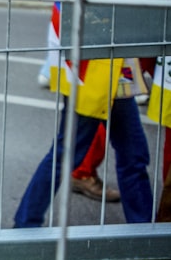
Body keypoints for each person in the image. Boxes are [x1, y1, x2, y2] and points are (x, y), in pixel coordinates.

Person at [14, 58, 152, 227]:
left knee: (133, 157)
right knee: (65, 156)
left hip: (112, 72)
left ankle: (144, 231)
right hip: (93, 76)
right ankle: (25, 223)